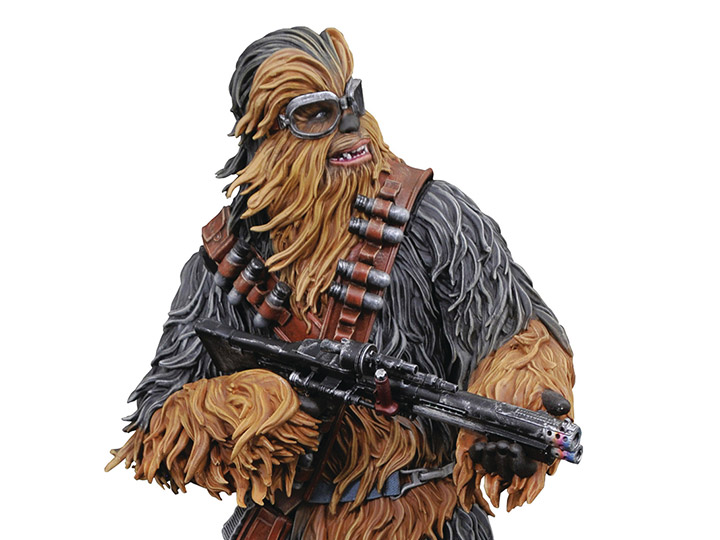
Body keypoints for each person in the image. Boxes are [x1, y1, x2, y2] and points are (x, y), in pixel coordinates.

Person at [107, 27, 576, 540]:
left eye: (353, 100)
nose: (350, 124)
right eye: (315, 113)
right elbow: (157, 419)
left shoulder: (434, 216)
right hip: (293, 524)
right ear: (265, 138)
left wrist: (520, 411)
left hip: (431, 522)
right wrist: (269, 407)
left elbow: (515, 335)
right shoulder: (224, 259)